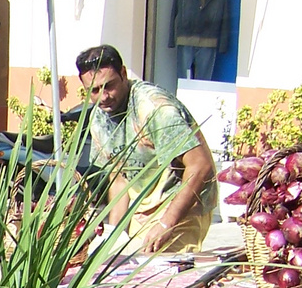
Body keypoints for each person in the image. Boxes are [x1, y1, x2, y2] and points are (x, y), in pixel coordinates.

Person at [76, 44, 218, 254]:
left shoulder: (154, 109)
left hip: (183, 203)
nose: (104, 96)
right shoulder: (99, 117)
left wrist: (166, 224)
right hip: (143, 206)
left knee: (165, 276)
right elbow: (119, 178)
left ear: (123, 73)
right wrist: (113, 233)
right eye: (94, 90)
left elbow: (200, 165)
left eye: (109, 86)